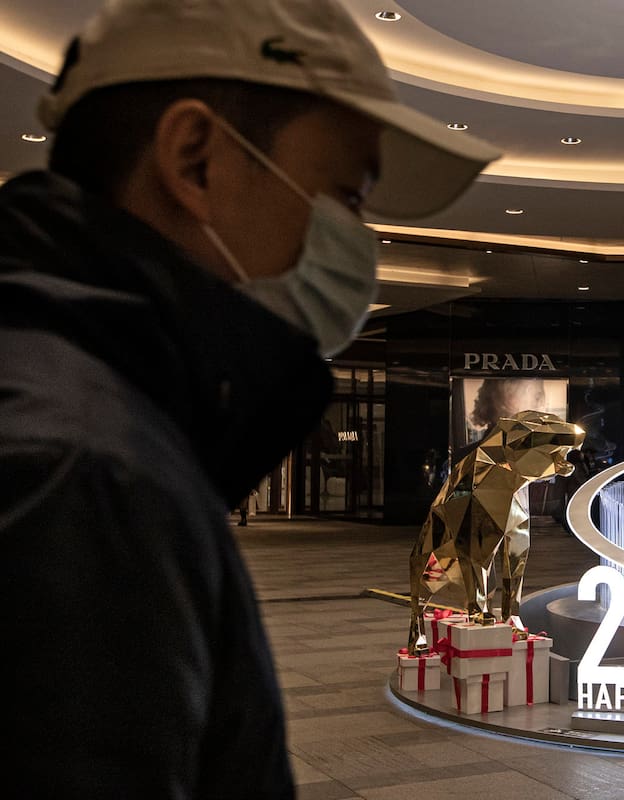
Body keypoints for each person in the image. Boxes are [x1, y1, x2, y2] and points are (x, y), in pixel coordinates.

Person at [0, 0, 498, 795]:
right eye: (347, 196)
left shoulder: (89, 404)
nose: (360, 243)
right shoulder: (82, 473)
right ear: (196, 160)